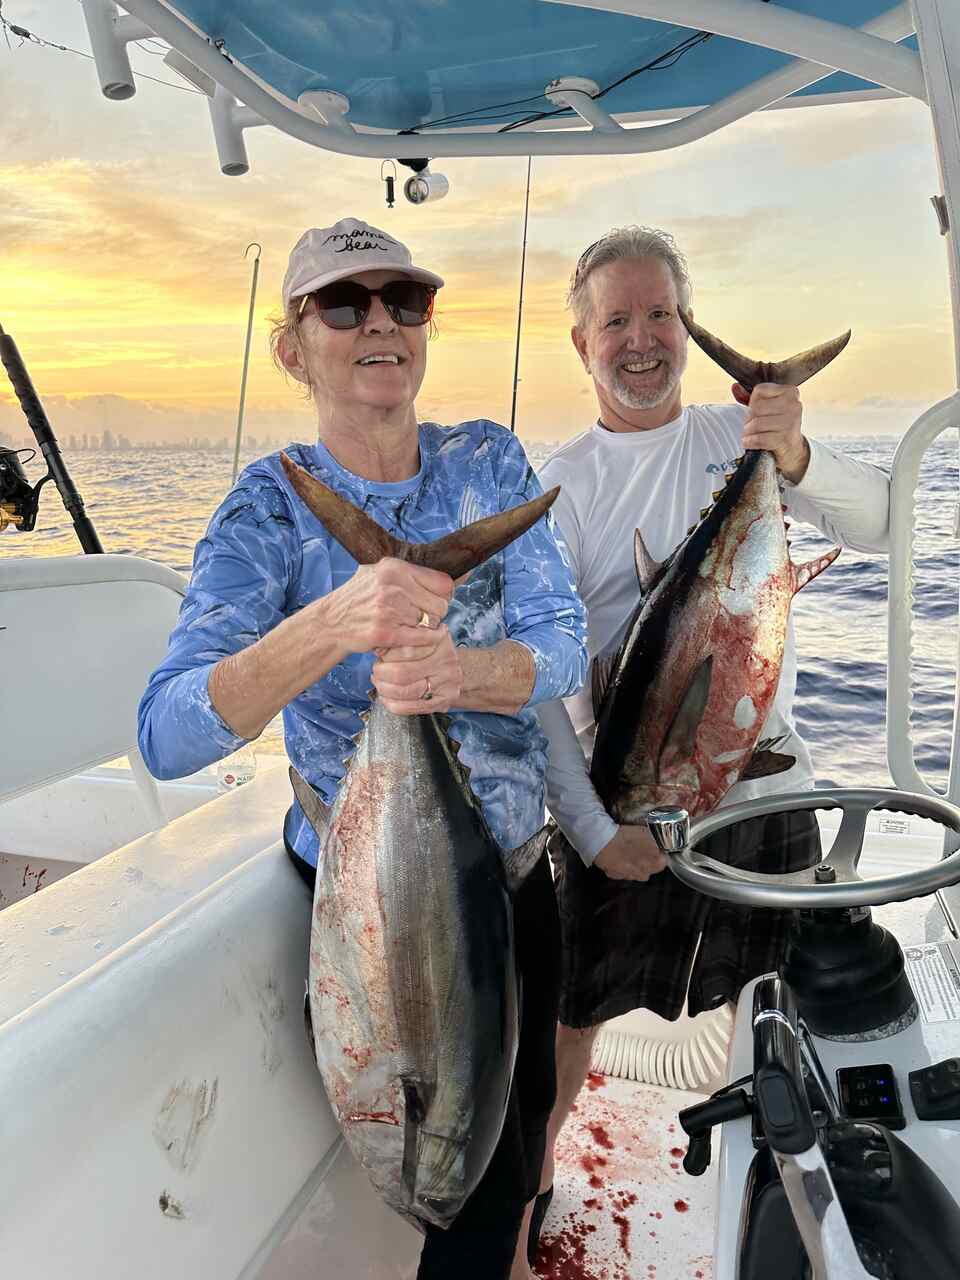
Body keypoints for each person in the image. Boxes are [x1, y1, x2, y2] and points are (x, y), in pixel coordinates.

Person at [137, 217, 587, 1280]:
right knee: (467, 1172)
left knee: (511, 1138)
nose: (380, 320)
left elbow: (568, 640)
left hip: (517, 871)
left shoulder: (488, 457)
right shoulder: (263, 507)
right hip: (376, 901)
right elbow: (164, 734)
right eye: (344, 303)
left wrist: (464, 674)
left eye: (404, 299)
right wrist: (335, 622)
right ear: (293, 348)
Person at [528, 225, 891, 1255]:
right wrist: (595, 827)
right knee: (570, 1009)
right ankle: (536, 1174)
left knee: (766, 1010)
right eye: (616, 320)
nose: (640, 340)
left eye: (662, 317)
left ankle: (762, 1197)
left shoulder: (733, 441)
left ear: (687, 332)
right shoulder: (563, 485)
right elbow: (548, 685)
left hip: (761, 783)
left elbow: (880, 523)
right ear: (580, 341)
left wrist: (797, 449)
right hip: (631, 786)